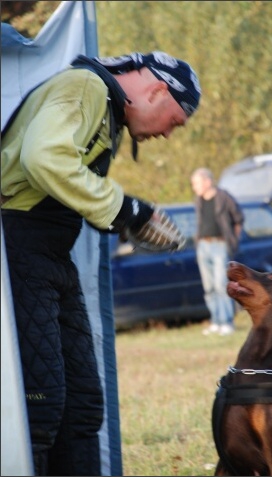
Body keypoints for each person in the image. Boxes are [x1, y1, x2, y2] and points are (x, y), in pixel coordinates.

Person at [1, 51, 201, 476]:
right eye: (176, 121)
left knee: (83, 405)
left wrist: (125, 221)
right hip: (17, 254)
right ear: (158, 90)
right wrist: (125, 209)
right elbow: (43, 157)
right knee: (41, 404)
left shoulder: (102, 104)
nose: (168, 134)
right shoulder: (86, 87)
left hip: (50, 260)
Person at [190, 168, 243, 336]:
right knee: (209, 287)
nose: (194, 187)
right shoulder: (198, 200)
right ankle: (216, 321)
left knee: (221, 286)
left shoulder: (224, 197)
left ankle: (227, 322)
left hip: (220, 245)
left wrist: (233, 241)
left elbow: (238, 219)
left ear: (207, 182)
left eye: (196, 183)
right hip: (203, 246)